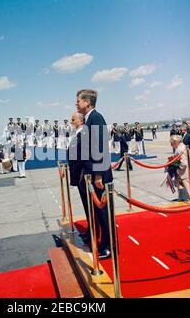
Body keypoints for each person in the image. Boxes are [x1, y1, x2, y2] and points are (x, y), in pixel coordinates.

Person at [75, 89, 113, 259]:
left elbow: (100, 147)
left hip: (99, 175)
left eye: (79, 101)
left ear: (87, 103)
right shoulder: (89, 119)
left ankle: (109, 247)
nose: (76, 103)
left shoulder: (96, 118)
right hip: (91, 173)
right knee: (98, 213)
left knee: (104, 215)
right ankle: (104, 244)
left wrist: (98, 175)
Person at [170, 135, 190, 201]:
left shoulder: (181, 149)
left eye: (172, 143)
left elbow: (184, 163)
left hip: (185, 174)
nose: (171, 145)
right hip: (181, 174)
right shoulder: (180, 148)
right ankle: (182, 199)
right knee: (182, 190)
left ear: (176, 142)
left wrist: (175, 166)